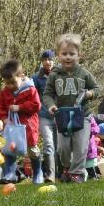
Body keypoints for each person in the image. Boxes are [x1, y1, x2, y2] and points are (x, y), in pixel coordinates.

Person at [42, 33, 99, 183]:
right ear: (58, 56)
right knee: (63, 148)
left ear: (79, 55)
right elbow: (47, 94)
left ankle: (77, 173)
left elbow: (97, 88)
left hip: (82, 115)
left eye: (72, 54)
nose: (68, 57)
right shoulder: (54, 75)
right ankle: (67, 167)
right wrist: (51, 105)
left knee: (80, 146)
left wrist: (90, 93)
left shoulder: (84, 74)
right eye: (64, 54)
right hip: (62, 116)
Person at [0, 59, 42, 183]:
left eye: (13, 82)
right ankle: (10, 173)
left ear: (21, 76)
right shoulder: (5, 93)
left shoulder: (30, 89)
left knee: (32, 150)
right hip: (12, 128)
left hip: (28, 127)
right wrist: (4, 118)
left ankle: (37, 173)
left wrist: (20, 107)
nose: (10, 86)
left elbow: (36, 105)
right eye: (7, 83)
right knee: (10, 150)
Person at [32, 49, 58, 182]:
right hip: (44, 116)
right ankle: (50, 175)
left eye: (50, 59)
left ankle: (62, 173)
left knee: (60, 146)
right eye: (45, 60)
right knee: (48, 143)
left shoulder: (61, 75)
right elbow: (33, 97)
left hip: (60, 116)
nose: (47, 62)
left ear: (54, 60)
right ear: (42, 62)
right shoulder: (36, 78)